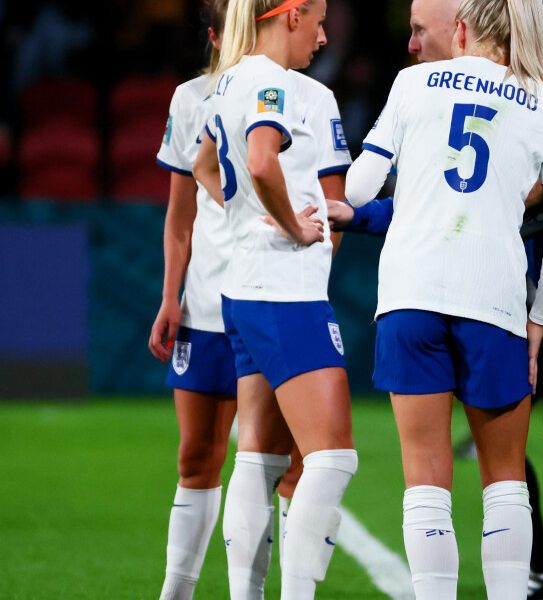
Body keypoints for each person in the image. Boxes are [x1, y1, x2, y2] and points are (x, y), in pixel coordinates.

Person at [345, 0, 543, 596]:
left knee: (425, 480)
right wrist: (538, 320)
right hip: (495, 297)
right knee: (504, 481)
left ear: (461, 28)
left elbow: (358, 187)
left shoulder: (411, 82)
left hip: (410, 290)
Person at [193, 1, 357, 598]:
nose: (323, 33)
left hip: (244, 287)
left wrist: (243, 219)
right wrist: (288, 224)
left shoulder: (229, 78)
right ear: (290, 16)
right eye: (317, 18)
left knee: (258, 459)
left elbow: (203, 164)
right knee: (333, 458)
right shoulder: (271, 82)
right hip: (285, 292)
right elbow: (262, 162)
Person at [148, 4, 237, 598]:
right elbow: (181, 218)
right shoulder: (190, 99)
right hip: (205, 307)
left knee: (282, 465)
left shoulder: (302, 97)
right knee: (196, 456)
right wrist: (170, 295)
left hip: (273, 304)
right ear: (213, 35)